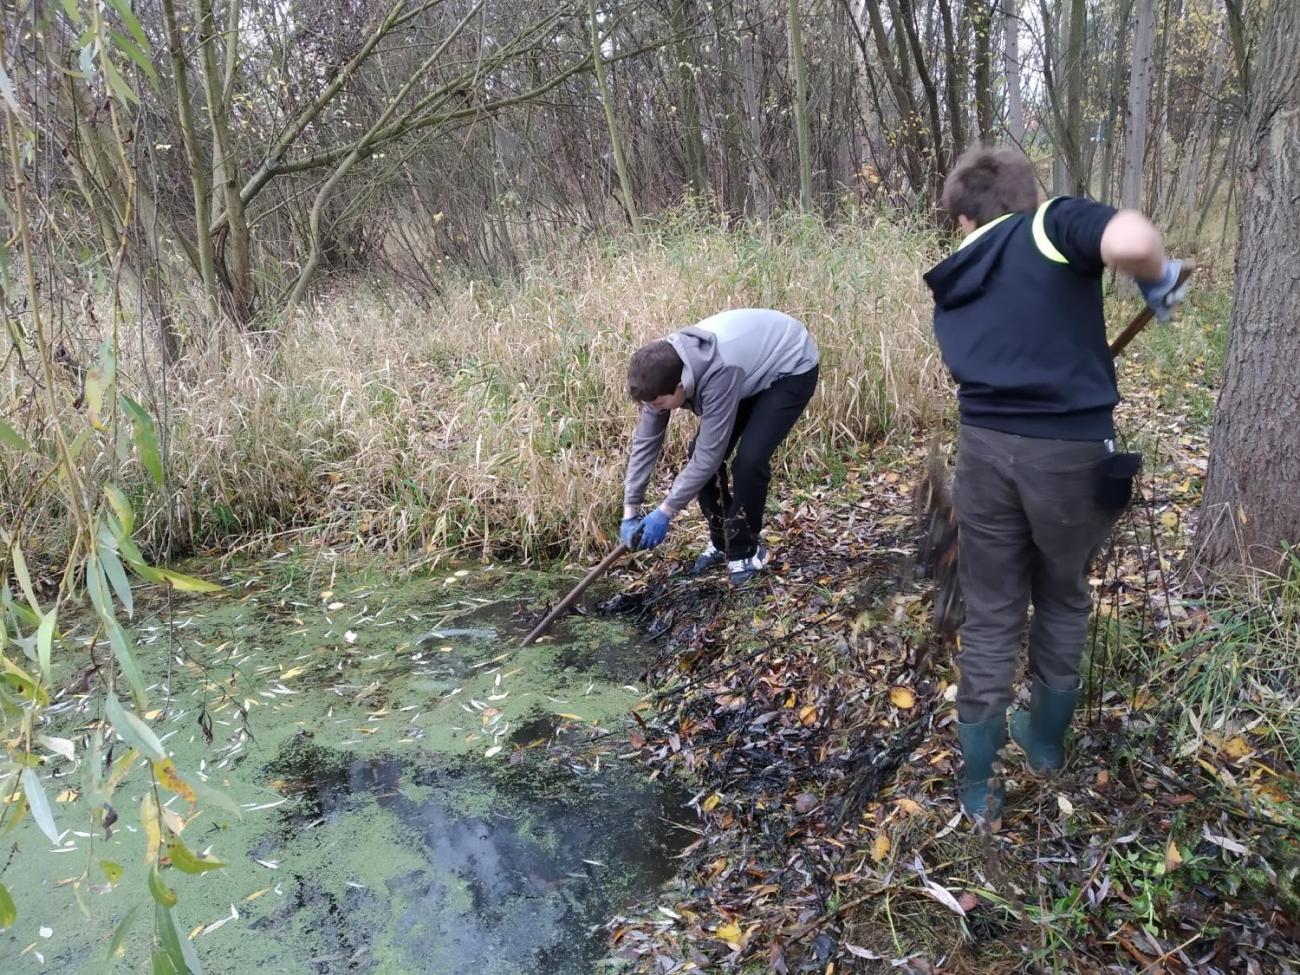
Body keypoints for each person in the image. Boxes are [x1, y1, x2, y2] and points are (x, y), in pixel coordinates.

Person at [922, 146, 1188, 829]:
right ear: (1026, 199)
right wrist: (1158, 278)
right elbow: (1130, 236)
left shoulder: (953, 272)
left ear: (960, 217)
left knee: (991, 613)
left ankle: (979, 787)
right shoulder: (1050, 223)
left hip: (981, 452)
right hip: (1068, 454)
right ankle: (1042, 742)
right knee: (1063, 592)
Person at [619, 309, 820, 586]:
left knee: (749, 461)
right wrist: (631, 509)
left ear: (680, 386)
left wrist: (665, 512)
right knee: (697, 458)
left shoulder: (718, 372)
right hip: (747, 371)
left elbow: (709, 457)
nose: (655, 411)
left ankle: (746, 551)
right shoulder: (658, 376)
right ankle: (723, 542)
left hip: (789, 366)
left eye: (659, 405)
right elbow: (646, 442)